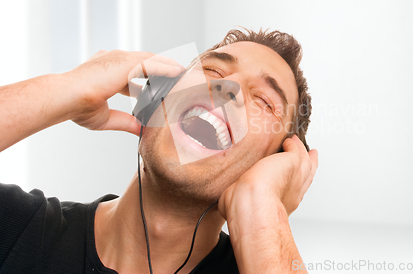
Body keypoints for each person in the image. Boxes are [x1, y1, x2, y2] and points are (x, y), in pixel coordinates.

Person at [0, 28, 318, 274]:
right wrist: (70, 87)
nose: (227, 89)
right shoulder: (18, 228)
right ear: (156, 98)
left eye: (264, 101)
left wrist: (262, 210)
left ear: (275, 166)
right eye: (214, 72)